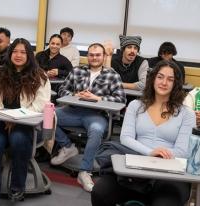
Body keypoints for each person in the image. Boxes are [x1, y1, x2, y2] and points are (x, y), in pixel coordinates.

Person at [91, 60, 195, 206]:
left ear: (176, 84)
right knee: (100, 193)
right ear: (153, 79)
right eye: (160, 77)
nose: (164, 82)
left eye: (170, 79)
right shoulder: (135, 105)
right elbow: (126, 138)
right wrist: (150, 152)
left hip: (169, 174)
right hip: (134, 169)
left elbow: (183, 151)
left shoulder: (186, 114)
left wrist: (159, 155)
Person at [0, 38, 51, 206]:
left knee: (18, 139)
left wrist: (15, 119)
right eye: (15, 51)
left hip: (26, 123)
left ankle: (17, 187)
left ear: (29, 55)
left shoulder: (40, 76)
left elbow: (40, 105)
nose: (18, 55)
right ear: (10, 53)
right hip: (0, 121)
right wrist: (5, 116)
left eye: (23, 52)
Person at [50, 43, 126, 192]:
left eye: (98, 55)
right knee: (47, 116)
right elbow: (62, 89)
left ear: (103, 57)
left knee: (97, 131)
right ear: (87, 56)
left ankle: (84, 171)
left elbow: (121, 99)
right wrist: (74, 95)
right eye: (91, 54)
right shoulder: (77, 70)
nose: (94, 57)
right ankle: (67, 147)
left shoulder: (112, 74)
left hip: (96, 115)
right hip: (72, 111)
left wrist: (98, 98)